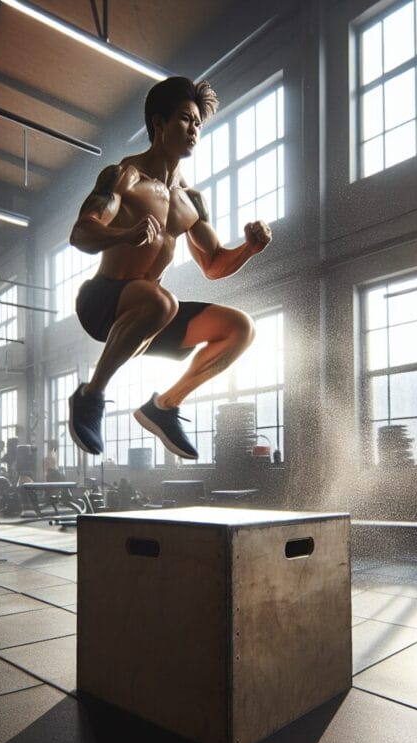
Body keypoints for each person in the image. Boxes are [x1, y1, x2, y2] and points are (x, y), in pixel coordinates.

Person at [68, 77, 272, 460]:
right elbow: (80, 233)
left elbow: (213, 264)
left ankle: (163, 406)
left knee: (240, 327)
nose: (194, 128)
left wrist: (250, 248)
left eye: (197, 122)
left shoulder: (190, 200)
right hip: (102, 303)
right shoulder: (125, 177)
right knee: (162, 301)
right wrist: (124, 234)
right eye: (184, 119)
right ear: (158, 124)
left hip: (152, 316)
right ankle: (89, 397)